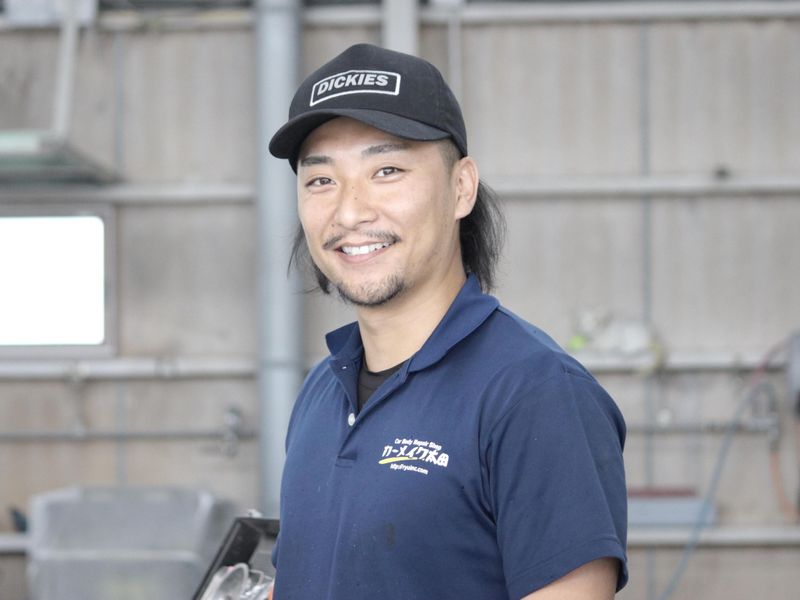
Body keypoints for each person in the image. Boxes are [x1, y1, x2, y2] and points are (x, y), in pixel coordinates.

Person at [266, 43, 628, 599]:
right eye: (321, 181)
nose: (349, 211)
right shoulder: (322, 392)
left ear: (462, 187)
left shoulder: (536, 394)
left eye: (387, 170)